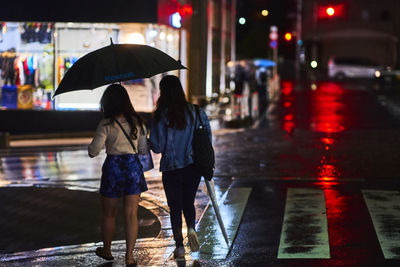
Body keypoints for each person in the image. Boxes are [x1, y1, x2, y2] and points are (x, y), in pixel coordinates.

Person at [149, 75, 212, 259]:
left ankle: (179, 246)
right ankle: (191, 228)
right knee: (188, 202)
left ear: (163, 92)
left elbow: (158, 146)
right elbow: (206, 138)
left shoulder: (160, 115)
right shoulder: (196, 111)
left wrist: (150, 141)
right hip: (193, 167)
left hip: (170, 168)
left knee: (174, 207)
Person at [88, 83, 148, 266]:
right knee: (131, 214)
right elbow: (144, 150)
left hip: (113, 169)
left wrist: (91, 147)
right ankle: (129, 257)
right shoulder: (137, 122)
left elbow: (93, 151)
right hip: (132, 168)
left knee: (109, 214)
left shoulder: (106, 124)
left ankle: (107, 250)